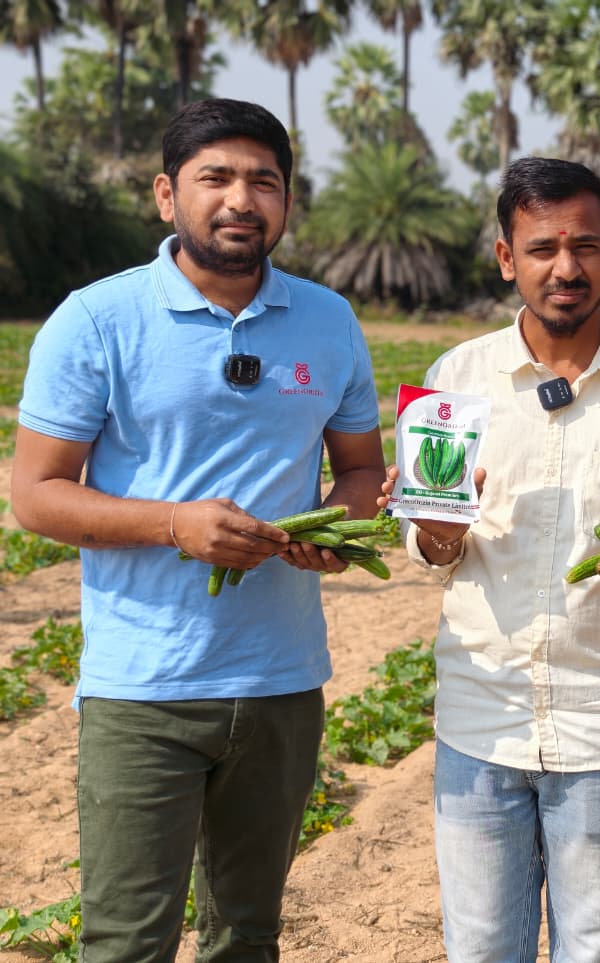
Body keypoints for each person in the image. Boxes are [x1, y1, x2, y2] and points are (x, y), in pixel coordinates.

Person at [12, 98, 384, 962]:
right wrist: (175, 524)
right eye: (215, 177)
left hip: (283, 683)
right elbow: (33, 495)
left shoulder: (328, 321)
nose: (240, 199)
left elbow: (361, 471)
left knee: (246, 935)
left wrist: (341, 531)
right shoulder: (98, 319)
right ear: (165, 194)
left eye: (264, 181)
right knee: (126, 940)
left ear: (288, 201)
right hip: (143, 687)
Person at [378, 156, 600, 962]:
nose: (567, 268)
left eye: (585, 246)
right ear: (505, 258)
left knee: (594, 948)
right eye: (542, 249)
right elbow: (428, 544)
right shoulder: (456, 379)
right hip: (479, 716)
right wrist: (441, 531)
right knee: (483, 946)